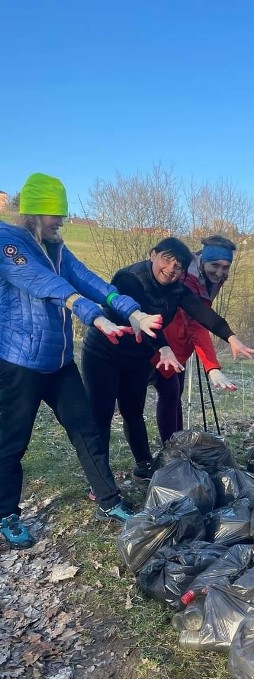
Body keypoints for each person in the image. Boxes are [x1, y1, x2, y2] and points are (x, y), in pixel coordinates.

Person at [0, 173, 162, 548]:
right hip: (18, 361)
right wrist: (91, 315)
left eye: (63, 215)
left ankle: (109, 501)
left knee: (86, 428)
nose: (61, 221)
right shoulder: (9, 243)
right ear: (34, 213)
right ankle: (7, 513)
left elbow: (88, 280)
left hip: (58, 363)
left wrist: (131, 311)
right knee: (12, 440)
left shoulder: (56, 247)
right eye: (55, 214)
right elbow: (44, 283)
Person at [82, 237, 254, 480]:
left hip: (136, 355)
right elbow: (138, 317)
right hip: (104, 352)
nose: (171, 270)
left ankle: (143, 465)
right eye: (167, 260)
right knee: (100, 415)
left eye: (178, 267)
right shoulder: (130, 279)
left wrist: (231, 338)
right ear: (153, 254)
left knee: (132, 412)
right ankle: (99, 478)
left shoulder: (177, 289)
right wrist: (164, 347)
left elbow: (202, 313)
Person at [153, 235, 239, 444]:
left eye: (225, 267)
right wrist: (212, 367)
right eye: (215, 266)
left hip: (181, 343)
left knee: (175, 394)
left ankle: (177, 444)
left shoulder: (212, 277)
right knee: (170, 393)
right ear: (203, 260)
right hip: (163, 340)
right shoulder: (187, 278)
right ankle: (170, 448)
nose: (219, 272)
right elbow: (195, 322)